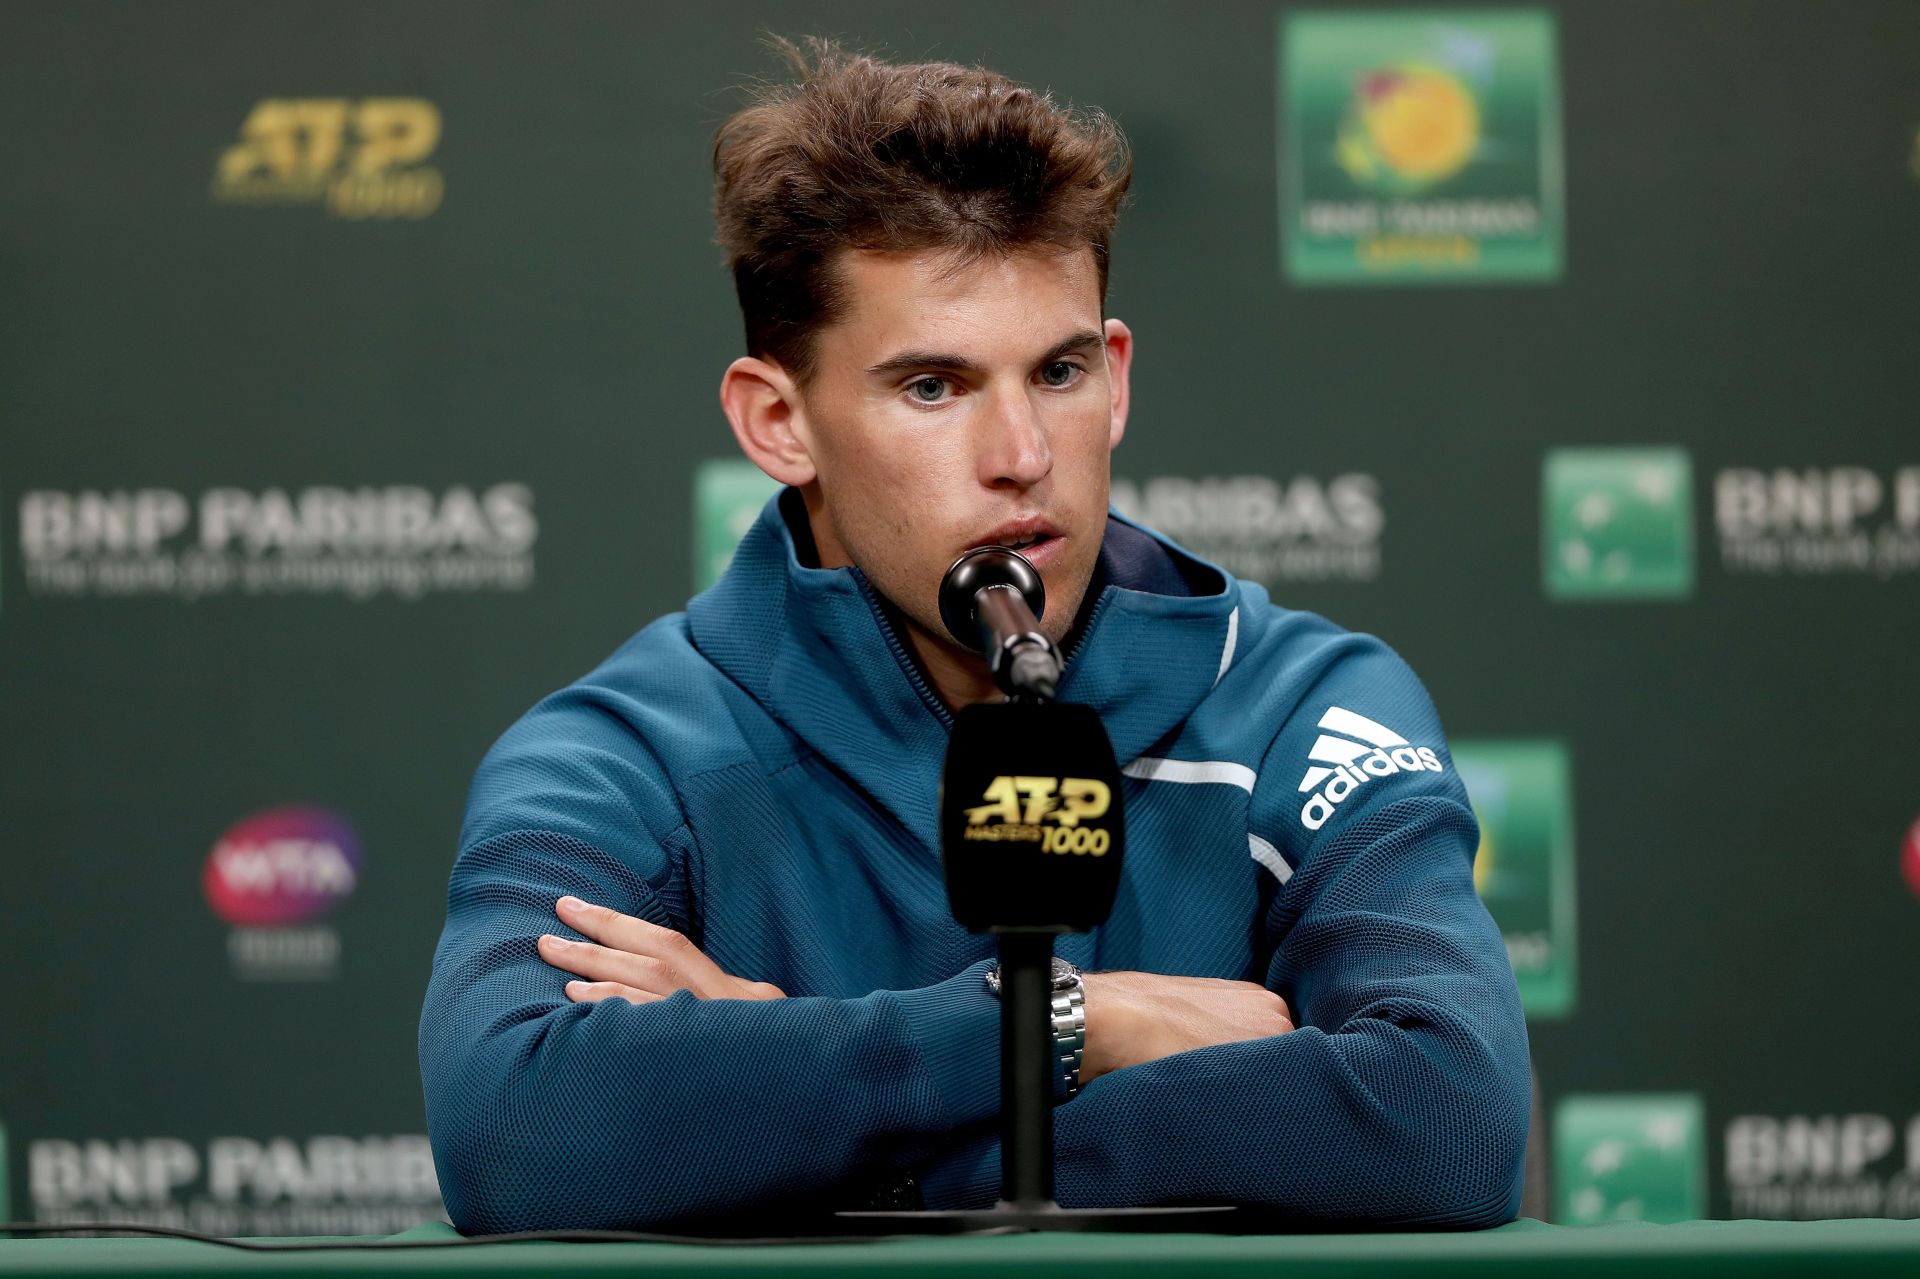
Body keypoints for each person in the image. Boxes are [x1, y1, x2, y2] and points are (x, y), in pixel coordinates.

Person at [418, 38, 1529, 1233]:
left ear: (1116, 376)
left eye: (1056, 372)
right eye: (932, 387)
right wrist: (1070, 1025)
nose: (1023, 457)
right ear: (779, 421)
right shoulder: (620, 753)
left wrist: (792, 1111)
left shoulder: (1308, 700)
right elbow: (516, 1134)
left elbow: (1443, 1120)